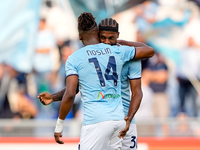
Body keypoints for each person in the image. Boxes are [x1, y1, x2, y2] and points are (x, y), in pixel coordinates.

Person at [38, 13, 154, 150]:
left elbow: (72, 92)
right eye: (103, 38)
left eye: (111, 38)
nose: (107, 42)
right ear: (97, 34)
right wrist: (53, 97)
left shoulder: (79, 57)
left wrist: (59, 125)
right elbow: (77, 87)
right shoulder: (118, 52)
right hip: (118, 121)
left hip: (110, 120)